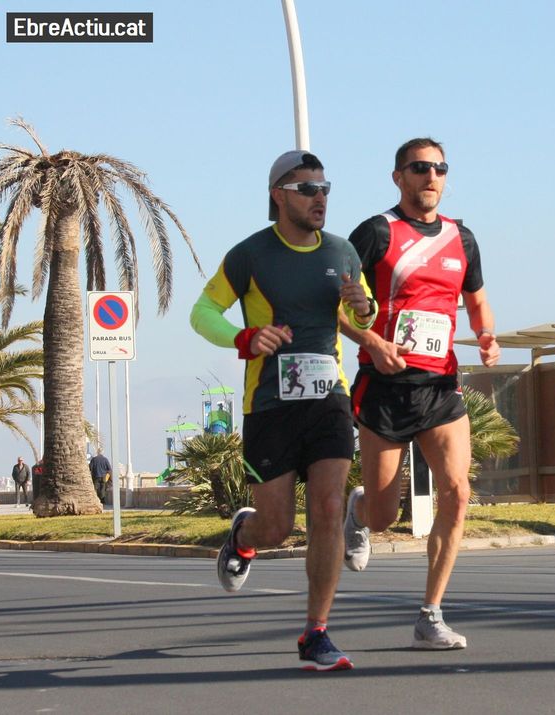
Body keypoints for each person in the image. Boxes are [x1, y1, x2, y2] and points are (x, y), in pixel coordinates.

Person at [189, 149, 377, 671]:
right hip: (270, 405)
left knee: (329, 508)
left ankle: (317, 632)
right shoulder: (250, 254)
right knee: (276, 527)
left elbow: (361, 309)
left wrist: (365, 309)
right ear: (279, 195)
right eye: (307, 189)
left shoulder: (342, 252)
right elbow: (202, 312)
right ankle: (244, 536)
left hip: (329, 400)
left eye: (325, 188)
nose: (320, 198)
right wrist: (243, 337)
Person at [341, 137, 500, 650]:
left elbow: (477, 301)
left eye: (440, 168)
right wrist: (371, 341)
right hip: (384, 389)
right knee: (385, 515)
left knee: (458, 492)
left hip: (440, 387)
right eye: (419, 168)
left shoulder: (462, 238)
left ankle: (431, 614)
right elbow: (334, 304)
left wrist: (486, 334)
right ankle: (360, 511)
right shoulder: (375, 232)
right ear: (399, 177)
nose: (431, 177)